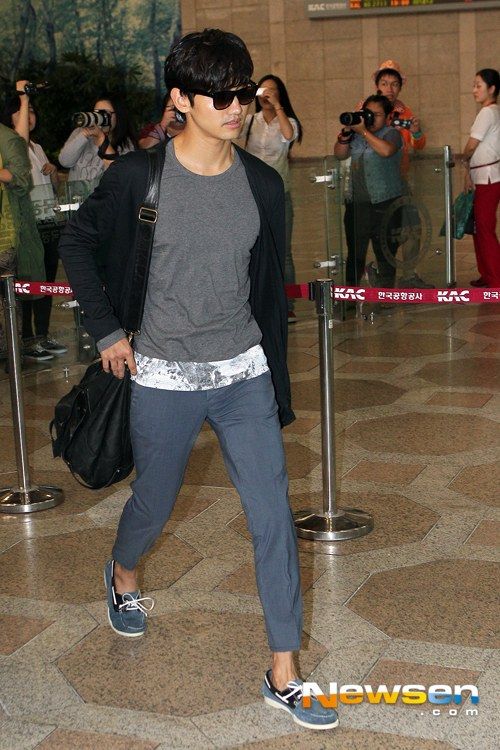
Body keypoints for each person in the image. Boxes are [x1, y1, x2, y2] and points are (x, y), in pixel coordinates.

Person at [58, 29, 338, 731]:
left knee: (272, 515)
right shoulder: (138, 178)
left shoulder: (263, 185)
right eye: (220, 95)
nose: (236, 106)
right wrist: (108, 331)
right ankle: (123, 573)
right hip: (161, 375)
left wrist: (272, 367)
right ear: (180, 98)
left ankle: (284, 672)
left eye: (243, 92)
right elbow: (78, 242)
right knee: (153, 505)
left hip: (242, 373)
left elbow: (265, 284)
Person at [1, 80, 67, 361]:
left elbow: (44, 184)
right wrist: (23, 96)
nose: (29, 116)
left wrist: (53, 172)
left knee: (42, 282)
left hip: (42, 219)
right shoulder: (13, 143)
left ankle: (37, 337)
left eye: (31, 111)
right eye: (22, 111)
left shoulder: (32, 146)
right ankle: (25, 341)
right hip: (23, 224)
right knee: (24, 284)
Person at [240, 74, 302, 321]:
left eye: (272, 90)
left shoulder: (289, 121)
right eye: (262, 91)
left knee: (282, 251)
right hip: (252, 193)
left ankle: (287, 303)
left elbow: (289, 135)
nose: (266, 95)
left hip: (279, 193)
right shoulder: (251, 121)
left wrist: (277, 106)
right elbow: (232, 132)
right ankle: (255, 302)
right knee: (252, 248)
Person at [334, 94, 403, 291]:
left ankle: (387, 295)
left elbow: (386, 151)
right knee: (355, 254)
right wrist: (347, 132)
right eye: (367, 113)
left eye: (377, 114)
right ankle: (352, 296)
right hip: (357, 204)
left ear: (388, 117)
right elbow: (339, 154)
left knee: (385, 254)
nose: (371, 118)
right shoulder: (356, 135)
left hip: (385, 203)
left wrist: (363, 131)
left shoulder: (391, 133)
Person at [0, 118, 45, 359]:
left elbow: (21, 179)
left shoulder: (7, 138)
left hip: (5, 237)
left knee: (8, 303)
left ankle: (12, 356)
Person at [463, 68, 500, 288]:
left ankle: (496, 279)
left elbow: (471, 146)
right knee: (479, 228)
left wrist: (463, 159)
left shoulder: (487, 112)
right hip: (483, 176)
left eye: (478, 85)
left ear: (492, 88)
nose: (474, 90)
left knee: (484, 229)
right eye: (474, 85)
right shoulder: (491, 111)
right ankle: (487, 273)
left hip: (488, 178)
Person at [58, 95, 137, 183]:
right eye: (97, 113)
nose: (100, 117)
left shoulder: (126, 144)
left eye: (105, 113)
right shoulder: (80, 132)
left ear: (118, 116)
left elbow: (121, 175)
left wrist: (101, 137)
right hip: (77, 191)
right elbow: (65, 162)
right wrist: (84, 134)